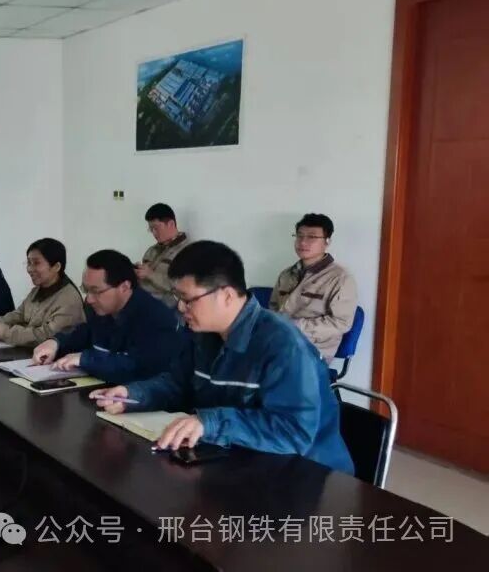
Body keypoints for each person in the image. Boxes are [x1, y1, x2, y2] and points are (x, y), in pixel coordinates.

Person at [92, 241, 354, 474]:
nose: (181, 308)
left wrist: (210, 423)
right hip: (239, 463)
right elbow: (178, 384)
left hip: (309, 476)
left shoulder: (283, 345)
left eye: (188, 299)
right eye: (178, 298)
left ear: (226, 295)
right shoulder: (203, 334)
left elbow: (293, 432)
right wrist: (133, 394)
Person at [31, 249, 186, 385]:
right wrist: (55, 342)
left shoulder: (155, 317)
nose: (89, 299)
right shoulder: (101, 309)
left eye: (96, 291)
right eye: (86, 289)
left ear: (124, 287)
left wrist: (85, 359)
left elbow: (138, 367)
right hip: (102, 393)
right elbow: (84, 333)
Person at [269, 213, 357, 362]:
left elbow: (340, 323)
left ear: (327, 241)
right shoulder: (287, 274)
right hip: (279, 343)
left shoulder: (340, 278)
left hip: (312, 351)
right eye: (299, 236)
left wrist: (297, 326)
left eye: (312, 237)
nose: (303, 242)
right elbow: (273, 308)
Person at [0, 238, 85, 348]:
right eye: (29, 263)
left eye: (36, 263)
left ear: (56, 267)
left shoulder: (69, 299)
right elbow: (19, 315)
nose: (29, 269)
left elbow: (46, 336)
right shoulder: (37, 290)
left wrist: (4, 332)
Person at [136, 203, 192, 308]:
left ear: (171, 224)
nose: (154, 233)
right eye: (151, 229)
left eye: (156, 228)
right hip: (141, 300)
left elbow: (182, 286)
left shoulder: (187, 251)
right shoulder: (151, 250)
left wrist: (150, 274)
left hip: (164, 307)